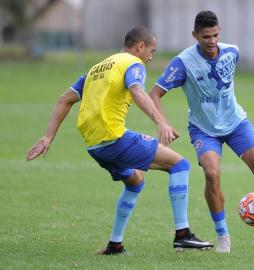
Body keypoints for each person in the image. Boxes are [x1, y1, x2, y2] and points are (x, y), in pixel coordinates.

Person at [26, 26, 213, 255]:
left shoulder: (96, 69)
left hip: (94, 146)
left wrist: (48, 137)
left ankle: (115, 244)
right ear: (140, 46)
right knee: (180, 165)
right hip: (114, 139)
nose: (151, 56)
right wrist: (160, 122)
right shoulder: (132, 63)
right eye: (151, 50)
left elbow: (64, 99)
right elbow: (137, 91)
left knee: (135, 180)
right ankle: (183, 235)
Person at [149, 11, 254, 253]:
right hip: (203, 129)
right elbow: (155, 93)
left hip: (236, 123)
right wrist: (162, 123)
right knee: (212, 174)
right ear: (195, 35)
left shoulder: (232, 52)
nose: (212, 40)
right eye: (206, 36)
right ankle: (223, 236)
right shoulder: (183, 63)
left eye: (215, 34)